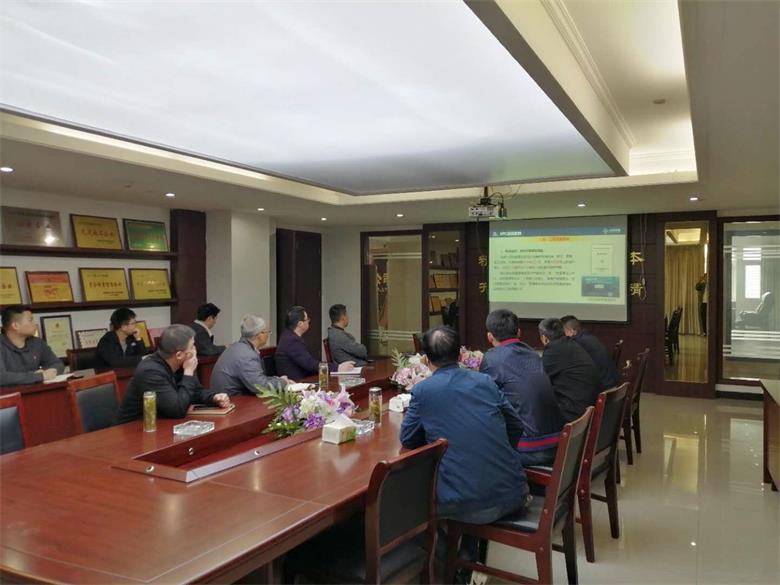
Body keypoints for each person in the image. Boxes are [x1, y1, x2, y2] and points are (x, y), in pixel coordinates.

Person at [400, 326, 529, 526]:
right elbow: (515, 425)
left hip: (464, 505)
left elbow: (408, 439)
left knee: (411, 495)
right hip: (514, 493)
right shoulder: (485, 381)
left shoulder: (423, 390)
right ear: (460, 356)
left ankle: (444, 543)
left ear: (426, 360)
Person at [480, 309, 565, 466]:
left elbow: (484, 402)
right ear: (519, 332)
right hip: (557, 443)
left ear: (489, 336)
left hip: (529, 449)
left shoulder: (492, 359)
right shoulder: (533, 354)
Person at [115, 324, 231, 424]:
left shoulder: (180, 364)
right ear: (179, 355)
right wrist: (188, 372)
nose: (195, 350)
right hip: (133, 429)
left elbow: (195, 392)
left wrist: (213, 397)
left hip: (162, 423)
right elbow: (177, 409)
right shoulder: (150, 371)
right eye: (192, 346)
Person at [538, 317, 601, 423]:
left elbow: (538, 381)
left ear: (544, 338)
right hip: (586, 408)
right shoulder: (570, 344)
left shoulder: (554, 350)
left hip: (574, 415)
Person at [210, 314, 291, 396]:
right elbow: (261, 387)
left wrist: (277, 379)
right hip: (234, 400)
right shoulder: (247, 355)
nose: (269, 334)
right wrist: (283, 382)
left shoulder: (238, 347)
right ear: (260, 335)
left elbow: (258, 378)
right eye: (268, 332)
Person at [275, 306, 353, 379]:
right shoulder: (292, 341)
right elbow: (309, 364)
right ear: (300, 324)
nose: (309, 321)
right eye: (307, 319)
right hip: (297, 382)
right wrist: (337, 368)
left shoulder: (288, 336)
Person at [0, 305, 64, 385]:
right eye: (30, 320)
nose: (35, 324)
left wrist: (49, 371)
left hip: (36, 390)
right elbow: (2, 377)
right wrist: (39, 376)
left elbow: (58, 364)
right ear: (15, 326)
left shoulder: (37, 343)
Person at [560, 315, 620, 391]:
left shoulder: (577, 342)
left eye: (562, 333)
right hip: (610, 384)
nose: (561, 337)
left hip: (602, 389)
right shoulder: (588, 337)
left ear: (571, 331)